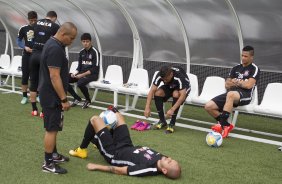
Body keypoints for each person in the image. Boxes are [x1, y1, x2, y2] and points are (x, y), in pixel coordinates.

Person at [69, 106, 181, 179]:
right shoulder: (162, 158)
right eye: (172, 159)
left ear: (164, 170)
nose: (169, 158)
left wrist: (96, 166)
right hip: (126, 144)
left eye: (169, 162)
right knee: (117, 115)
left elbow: (121, 171)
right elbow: (168, 162)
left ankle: (82, 150)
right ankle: (98, 140)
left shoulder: (148, 169)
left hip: (114, 153)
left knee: (95, 119)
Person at [38, 22, 77, 174]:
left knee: (53, 127)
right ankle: (48, 163)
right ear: (63, 34)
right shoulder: (55, 48)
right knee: (51, 129)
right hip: (52, 96)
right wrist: (64, 99)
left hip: (49, 93)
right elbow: (54, 76)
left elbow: (57, 73)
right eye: (71, 38)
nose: (72, 41)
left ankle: (53, 155)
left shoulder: (52, 43)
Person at [204, 46, 260, 138]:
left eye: (246, 56)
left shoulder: (254, 69)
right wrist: (241, 82)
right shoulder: (236, 68)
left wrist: (235, 81)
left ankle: (221, 125)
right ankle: (226, 124)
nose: (243, 58)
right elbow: (227, 85)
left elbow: (249, 85)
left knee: (230, 94)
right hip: (231, 95)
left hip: (245, 95)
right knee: (208, 106)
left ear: (251, 57)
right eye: (242, 55)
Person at [29, 11, 60, 117]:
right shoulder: (55, 26)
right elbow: (58, 42)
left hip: (33, 55)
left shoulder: (35, 23)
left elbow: (30, 38)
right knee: (45, 83)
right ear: (54, 18)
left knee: (33, 82)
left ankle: (34, 110)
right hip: (45, 57)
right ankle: (43, 111)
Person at [144, 66, 191, 134]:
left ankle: (172, 123)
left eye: (166, 79)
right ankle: (163, 121)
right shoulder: (160, 75)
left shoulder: (179, 77)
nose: (164, 81)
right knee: (158, 93)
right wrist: (147, 107)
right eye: (163, 80)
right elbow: (152, 91)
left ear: (171, 74)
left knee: (176, 94)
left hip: (184, 87)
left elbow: (182, 96)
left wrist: (172, 109)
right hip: (171, 85)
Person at [68, 33, 100, 109]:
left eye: (87, 41)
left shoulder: (95, 52)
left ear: (90, 42)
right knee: (64, 79)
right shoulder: (81, 52)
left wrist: (81, 75)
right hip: (81, 74)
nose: (85, 43)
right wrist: (74, 73)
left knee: (80, 83)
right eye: (83, 41)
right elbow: (79, 67)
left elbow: (95, 68)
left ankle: (88, 100)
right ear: (81, 42)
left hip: (92, 75)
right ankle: (77, 98)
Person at [16, 11, 38, 104]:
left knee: (37, 77)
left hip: (37, 56)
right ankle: (24, 96)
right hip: (27, 56)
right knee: (25, 76)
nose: (33, 22)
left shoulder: (41, 28)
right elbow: (18, 40)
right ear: (28, 19)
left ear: (37, 18)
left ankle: (38, 95)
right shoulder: (23, 28)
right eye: (31, 20)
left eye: (34, 20)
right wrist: (25, 47)